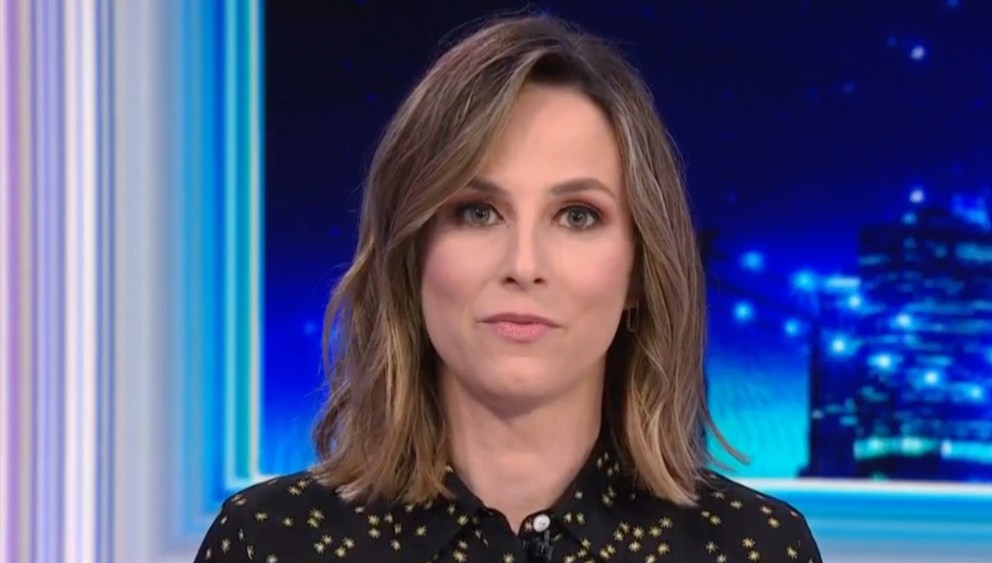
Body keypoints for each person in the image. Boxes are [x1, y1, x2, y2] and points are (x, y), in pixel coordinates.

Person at [195, 14, 823, 563]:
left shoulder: (754, 548)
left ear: (637, 271)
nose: (524, 264)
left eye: (577, 216)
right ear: (412, 256)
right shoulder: (268, 542)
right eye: (477, 212)